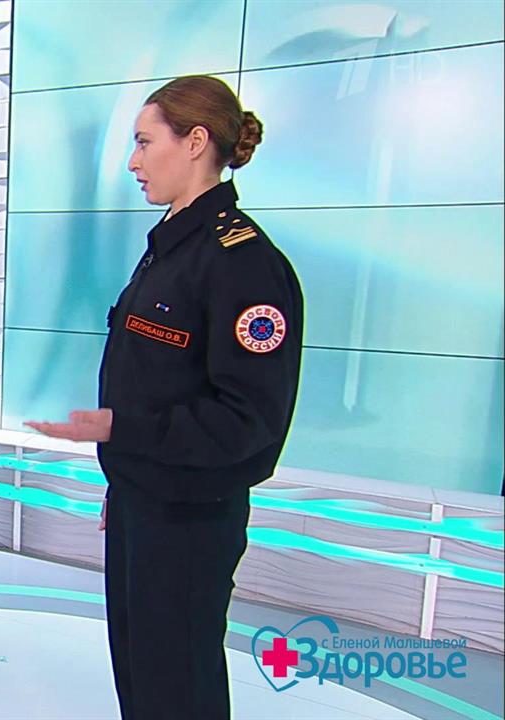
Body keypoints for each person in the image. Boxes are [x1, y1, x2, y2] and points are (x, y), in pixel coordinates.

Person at [26, 75, 304, 719]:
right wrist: (125, 480)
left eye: (146, 142)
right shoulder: (170, 249)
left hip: (189, 519)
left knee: (178, 685)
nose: (133, 161)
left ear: (196, 142)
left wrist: (124, 435)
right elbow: (157, 381)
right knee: (143, 675)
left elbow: (248, 419)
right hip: (142, 501)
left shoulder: (241, 262)